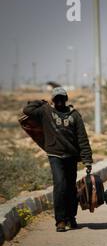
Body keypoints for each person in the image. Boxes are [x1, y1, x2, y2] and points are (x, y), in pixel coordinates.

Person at [22, 87, 93, 232]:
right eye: (57, 99)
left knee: (71, 188)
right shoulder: (45, 111)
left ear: (66, 99)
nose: (60, 101)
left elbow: (82, 138)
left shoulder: (74, 115)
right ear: (53, 100)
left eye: (62, 98)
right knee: (60, 185)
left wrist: (87, 160)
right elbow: (27, 110)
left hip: (71, 156)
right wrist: (41, 102)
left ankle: (71, 217)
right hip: (55, 155)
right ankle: (60, 220)